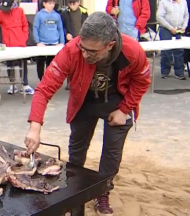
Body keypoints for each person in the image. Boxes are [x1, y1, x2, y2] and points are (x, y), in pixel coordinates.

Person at [25, 12, 151, 216]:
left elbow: (142, 81)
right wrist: (35, 126)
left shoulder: (132, 51)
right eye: (82, 48)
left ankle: (103, 192)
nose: (84, 55)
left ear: (109, 45)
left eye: (91, 52)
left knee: (112, 154)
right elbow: (44, 88)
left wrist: (124, 109)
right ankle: (74, 194)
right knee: (76, 152)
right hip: (83, 100)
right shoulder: (72, 50)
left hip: (117, 101)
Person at [0, 0, 35, 95]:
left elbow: (25, 25)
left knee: (23, 64)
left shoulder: (20, 11)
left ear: (12, 5)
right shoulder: (0, 13)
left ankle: (25, 84)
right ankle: (12, 84)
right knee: (10, 64)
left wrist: (24, 38)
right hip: (8, 44)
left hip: (20, 44)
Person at [157, 0, 189, 80]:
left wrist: (184, 26)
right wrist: (170, 28)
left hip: (179, 29)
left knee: (179, 51)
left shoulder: (183, 1)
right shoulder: (164, 2)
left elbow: (186, 15)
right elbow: (159, 17)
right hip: (166, 29)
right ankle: (165, 71)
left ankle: (179, 73)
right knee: (166, 51)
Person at [33, 0, 65, 81]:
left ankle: (49, 80)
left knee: (51, 63)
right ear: (44, 4)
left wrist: (61, 42)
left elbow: (60, 29)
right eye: (49, 3)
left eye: (53, 3)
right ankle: (41, 80)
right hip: (42, 43)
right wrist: (38, 42)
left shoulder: (57, 15)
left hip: (54, 43)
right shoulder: (39, 15)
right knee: (40, 63)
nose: (51, 5)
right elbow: (35, 28)